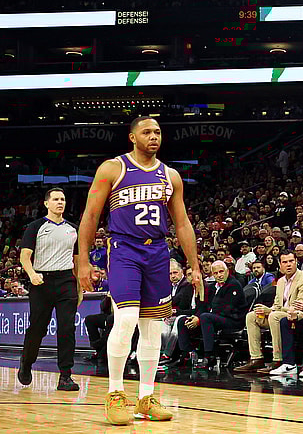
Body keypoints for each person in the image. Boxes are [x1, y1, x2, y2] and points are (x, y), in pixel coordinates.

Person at [77, 116, 202, 425]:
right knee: (127, 318)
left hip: (158, 250)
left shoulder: (170, 176)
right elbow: (91, 214)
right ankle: (116, 393)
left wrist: (194, 264)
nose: (153, 136)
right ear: (132, 137)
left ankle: (146, 397)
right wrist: (82, 259)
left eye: (158, 132)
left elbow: (182, 222)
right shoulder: (112, 168)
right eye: (146, 132)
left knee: (152, 326)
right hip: (124, 248)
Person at [17, 188, 80, 391]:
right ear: (46, 203)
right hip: (41, 282)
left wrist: (79, 286)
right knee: (37, 328)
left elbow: (77, 260)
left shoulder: (73, 228)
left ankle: (65, 376)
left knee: (67, 328)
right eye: (55, 199)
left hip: (66, 280)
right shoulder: (35, 227)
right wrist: (32, 274)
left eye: (62, 199)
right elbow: (24, 256)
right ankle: (26, 364)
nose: (60, 202)